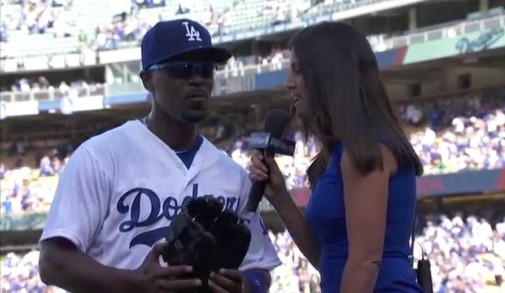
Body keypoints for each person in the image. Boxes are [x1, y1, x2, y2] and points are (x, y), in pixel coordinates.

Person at [38, 19, 280, 293]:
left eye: (205, 69)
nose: (197, 79)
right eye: (182, 69)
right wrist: (134, 284)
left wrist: (245, 287)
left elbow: (260, 269)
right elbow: (52, 262)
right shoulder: (100, 156)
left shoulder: (233, 175)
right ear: (148, 79)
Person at [249, 21, 424, 292]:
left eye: (298, 71)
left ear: (327, 76)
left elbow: (365, 263)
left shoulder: (365, 149)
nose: (289, 84)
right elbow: (327, 259)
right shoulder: (340, 153)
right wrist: (280, 196)